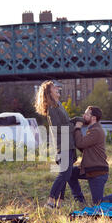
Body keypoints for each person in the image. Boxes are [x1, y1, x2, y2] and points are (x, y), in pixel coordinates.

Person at [68, 106, 112, 206]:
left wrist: (77, 128)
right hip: (89, 169)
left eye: (86, 114)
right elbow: (85, 148)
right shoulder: (92, 129)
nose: (83, 116)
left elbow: (80, 144)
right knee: (69, 173)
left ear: (93, 118)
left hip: (97, 173)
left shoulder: (96, 131)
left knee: (98, 203)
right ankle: (80, 200)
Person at [34, 80, 76, 209]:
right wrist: (74, 126)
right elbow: (58, 128)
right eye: (54, 87)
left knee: (66, 173)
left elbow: (66, 122)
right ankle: (50, 201)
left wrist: (76, 121)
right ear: (49, 92)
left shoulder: (59, 105)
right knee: (64, 173)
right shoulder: (52, 108)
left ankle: (59, 203)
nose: (58, 88)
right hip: (62, 145)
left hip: (68, 143)